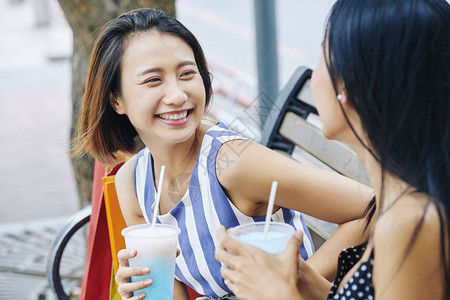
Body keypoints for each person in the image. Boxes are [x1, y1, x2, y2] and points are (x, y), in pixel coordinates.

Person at [71, 8, 375, 300]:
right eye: (153, 80)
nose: (177, 95)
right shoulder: (132, 183)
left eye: (187, 73)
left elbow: (376, 208)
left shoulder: (233, 164)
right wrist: (144, 291)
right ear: (117, 100)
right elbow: (169, 290)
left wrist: (291, 280)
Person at [215, 0, 450, 299]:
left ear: (351, 83)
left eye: (322, 55)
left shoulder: (412, 224)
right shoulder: (403, 201)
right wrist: (304, 281)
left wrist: (276, 293)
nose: (316, 74)